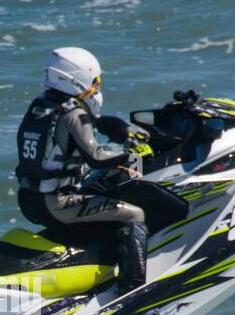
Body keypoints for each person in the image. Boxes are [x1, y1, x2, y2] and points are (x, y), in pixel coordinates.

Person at [14, 47, 154, 295]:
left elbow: (66, 135)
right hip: (58, 203)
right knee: (134, 215)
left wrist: (111, 126)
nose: (97, 87)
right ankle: (132, 288)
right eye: (96, 81)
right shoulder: (74, 113)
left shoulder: (41, 105)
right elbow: (97, 158)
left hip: (29, 200)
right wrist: (132, 155)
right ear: (80, 79)